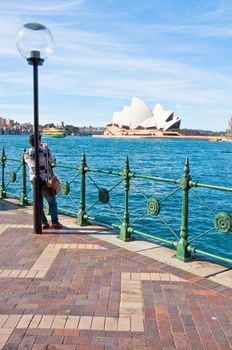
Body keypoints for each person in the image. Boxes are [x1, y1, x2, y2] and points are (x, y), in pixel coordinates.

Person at [24, 134, 62, 230]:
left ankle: (44, 223)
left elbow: (27, 162)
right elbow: (53, 160)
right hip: (46, 181)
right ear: (39, 141)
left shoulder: (27, 153)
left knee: (38, 203)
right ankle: (55, 222)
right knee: (52, 202)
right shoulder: (45, 151)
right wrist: (47, 148)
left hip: (34, 181)